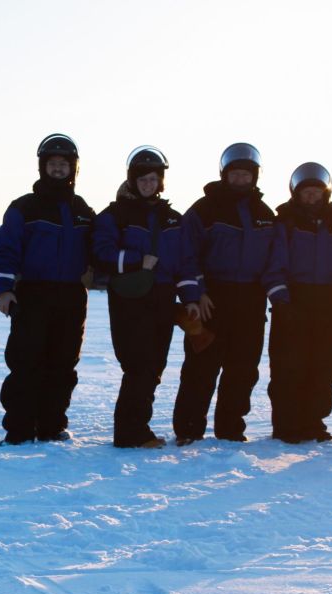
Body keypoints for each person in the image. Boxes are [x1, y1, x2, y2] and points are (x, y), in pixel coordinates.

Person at [173, 143, 285, 445]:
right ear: (225, 175)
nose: (240, 179)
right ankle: (188, 430)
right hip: (213, 298)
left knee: (243, 369)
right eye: (235, 174)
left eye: (245, 174)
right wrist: (198, 293)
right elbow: (186, 254)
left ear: (255, 177)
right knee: (201, 367)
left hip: (250, 299)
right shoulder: (204, 209)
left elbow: (275, 258)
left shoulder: (264, 214)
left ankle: (230, 430)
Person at [0, 133, 95, 445]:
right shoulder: (25, 207)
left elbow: (100, 247)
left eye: (64, 164)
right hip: (32, 294)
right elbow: (7, 249)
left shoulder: (82, 210)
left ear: (73, 169)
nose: (58, 169)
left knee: (63, 365)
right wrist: (4, 289)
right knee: (26, 363)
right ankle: (19, 431)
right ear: (43, 167)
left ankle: (52, 427)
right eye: (53, 164)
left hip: (72, 295)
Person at [93, 146, 200, 448]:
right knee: (138, 364)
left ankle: (137, 429)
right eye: (143, 179)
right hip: (130, 298)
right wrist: (135, 260)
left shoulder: (172, 219)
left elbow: (186, 262)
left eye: (154, 179)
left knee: (154, 366)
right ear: (132, 180)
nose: (148, 185)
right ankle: (130, 433)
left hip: (163, 298)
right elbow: (101, 253)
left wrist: (190, 296)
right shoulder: (115, 216)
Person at [268, 162, 332, 444]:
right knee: (288, 367)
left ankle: (313, 422)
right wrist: (282, 301)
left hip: (329, 301)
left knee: (324, 366)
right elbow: (274, 263)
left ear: (325, 193)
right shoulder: (285, 222)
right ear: (296, 193)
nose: (312, 197)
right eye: (306, 193)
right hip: (294, 300)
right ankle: (287, 426)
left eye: (317, 192)